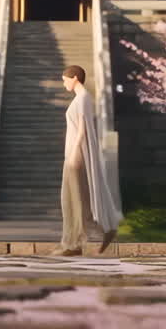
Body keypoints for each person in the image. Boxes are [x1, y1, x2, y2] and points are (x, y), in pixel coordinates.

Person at [53, 64, 122, 256]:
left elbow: (83, 129)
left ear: (74, 77)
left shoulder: (82, 98)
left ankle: (73, 244)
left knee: (73, 198)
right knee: (77, 197)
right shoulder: (81, 98)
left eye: (65, 79)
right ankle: (99, 232)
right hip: (74, 153)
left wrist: (75, 153)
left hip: (77, 155)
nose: (64, 83)